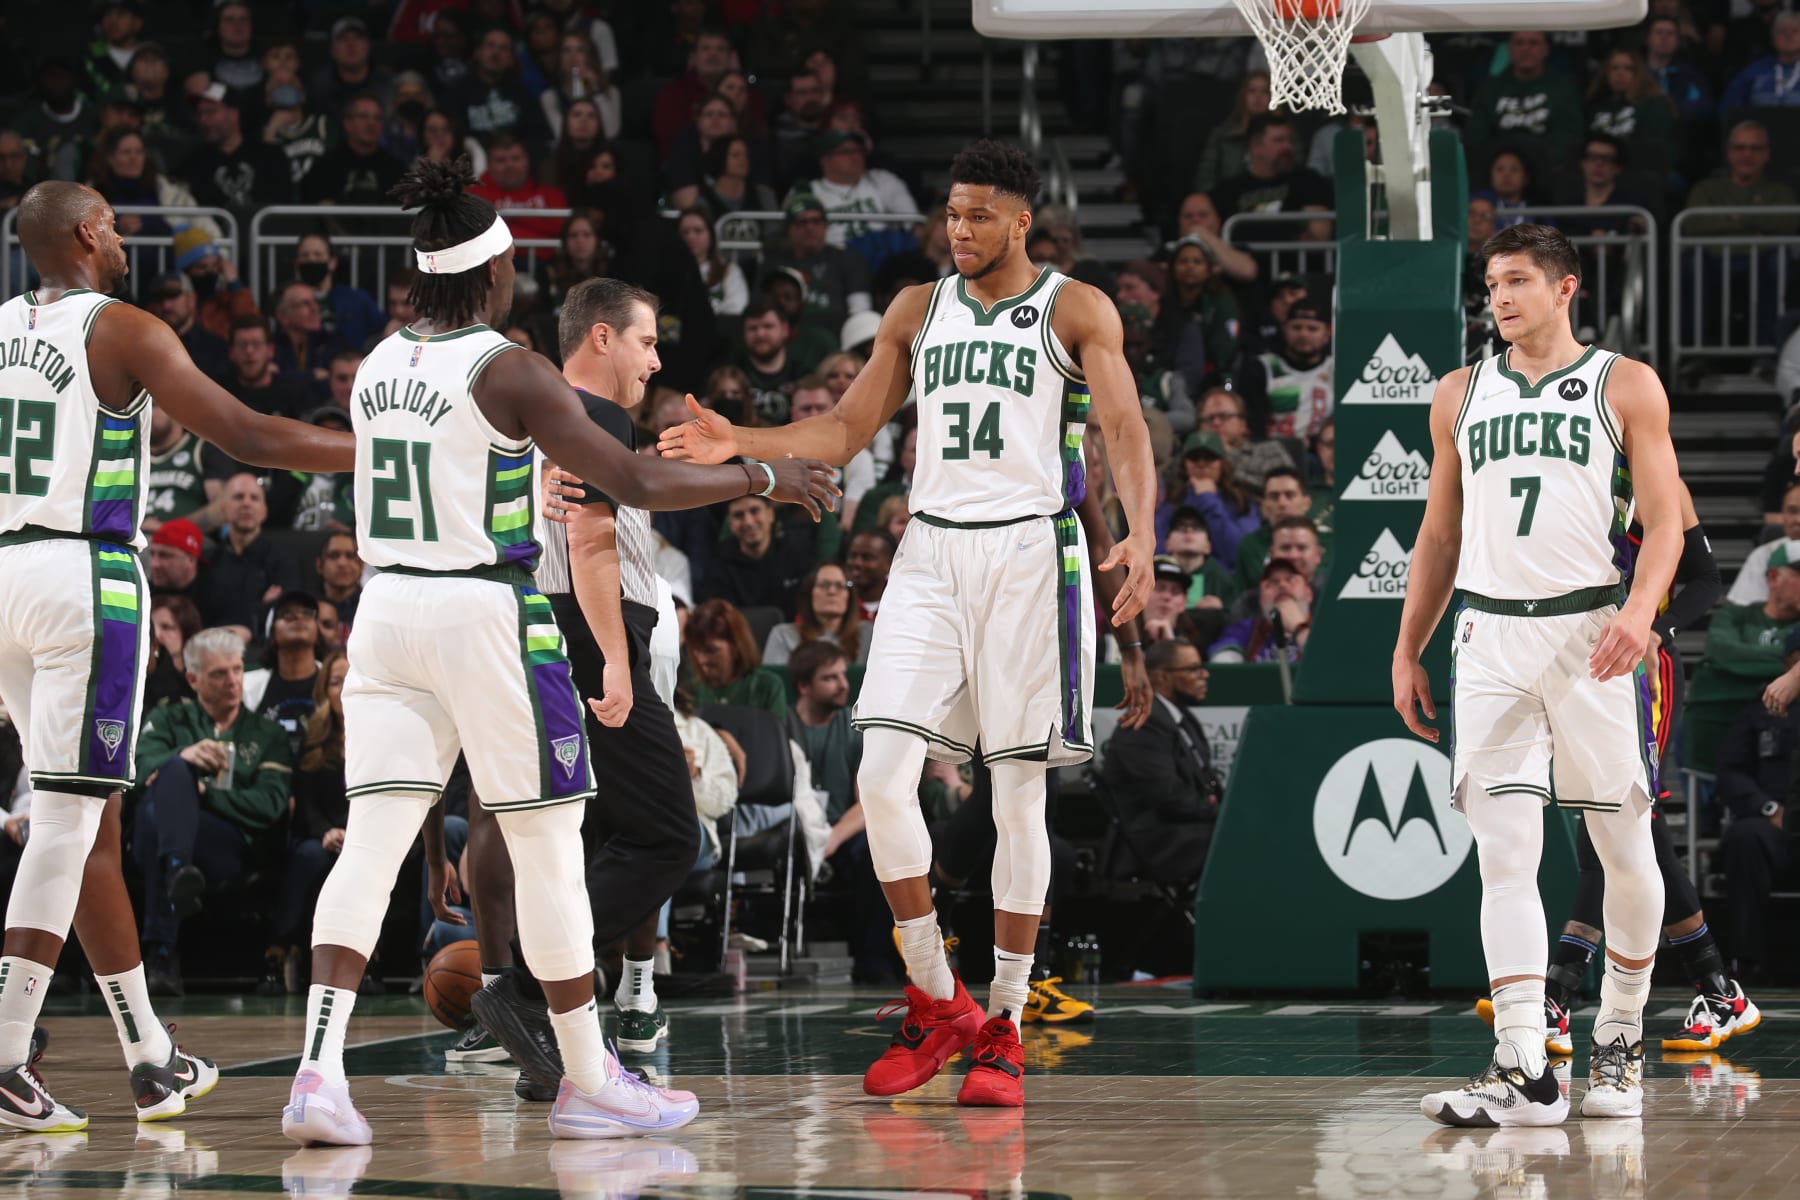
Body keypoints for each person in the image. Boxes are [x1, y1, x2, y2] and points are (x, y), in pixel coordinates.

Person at [275, 155, 835, 1148]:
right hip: (485, 609)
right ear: (495, 277)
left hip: (386, 612)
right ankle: (590, 1078)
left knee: (371, 847)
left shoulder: (377, 367)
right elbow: (632, 481)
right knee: (546, 843)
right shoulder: (511, 367)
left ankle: (318, 1076)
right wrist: (763, 472)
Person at [661, 139, 1156, 1109]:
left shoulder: (1074, 307)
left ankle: (1006, 1022)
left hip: (1028, 553)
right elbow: (845, 430)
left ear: (1020, 221)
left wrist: (1141, 534)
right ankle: (939, 999)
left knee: (1017, 798)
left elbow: (1124, 430)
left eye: (978, 215)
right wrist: (743, 441)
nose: (958, 231)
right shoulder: (916, 308)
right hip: (928, 550)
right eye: (950, 214)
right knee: (882, 775)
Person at [0, 179, 352, 1130]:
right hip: (85, 580)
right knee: (69, 828)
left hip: (5, 577)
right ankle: (3, 1055)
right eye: (111, 223)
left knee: (94, 831)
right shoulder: (123, 328)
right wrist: (379, 447)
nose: (122, 237)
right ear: (84, 233)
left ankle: (151, 1059)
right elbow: (246, 435)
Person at [1395, 224, 1684, 1127]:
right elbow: (1439, 534)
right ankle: (1523, 1064)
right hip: (1486, 634)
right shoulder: (1457, 393)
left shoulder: (1624, 383)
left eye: (1518, 281)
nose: (1501, 298)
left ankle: (1623, 1034)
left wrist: (1639, 615)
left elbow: (1668, 526)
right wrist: (1409, 646)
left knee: (1621, 846)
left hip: (1594, 629)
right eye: (1491, 284)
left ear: (1566, 289)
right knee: (1505, 853)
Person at [455, 277, 723, 1089]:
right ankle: (533, 990)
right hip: (589, 627)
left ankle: (560, 1045)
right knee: (668, 836)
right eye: (646, 341)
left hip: (522, 627)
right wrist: (614, 655)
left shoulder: (520, 421)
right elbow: (595, 533)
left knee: (578, 845)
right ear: (601, 339)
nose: (656, 358)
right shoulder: (591, 414)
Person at [1474, 482, 1759, 1053]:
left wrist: (1658, 630)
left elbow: (1706, 580)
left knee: (1619, 823)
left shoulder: (1658, 477)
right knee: (1621, 834)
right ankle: (1718, 989)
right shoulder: (1566, 463)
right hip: (1570, 654)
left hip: (1638, 664)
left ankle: (1559, 992)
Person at [133, 628, 293, 995]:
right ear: (193, 679)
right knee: (173, 773)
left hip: (228, 845)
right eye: (219, 673)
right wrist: (184, 762)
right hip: (164, 838)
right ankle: (177, 870)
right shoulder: (172, 717)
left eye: (237, 670)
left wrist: (200, 791)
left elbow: (270, 806)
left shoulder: (266, 733)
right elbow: (140, 769)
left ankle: (162, 950)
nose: (232, 681)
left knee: (163, 804)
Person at [1100, 638, 1220, 887]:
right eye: (1193, 669)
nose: (1204, 675)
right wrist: (1221, 814)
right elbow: (1168, 797)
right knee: (1242, 838)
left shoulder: (1183, 718)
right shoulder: (1143, 725)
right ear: (1162, 677)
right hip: (1158, 841)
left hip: (1185, 830)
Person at [764, 561, 867, 666]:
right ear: (809, 594)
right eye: (824, 585)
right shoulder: (783, 635)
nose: (832, 591)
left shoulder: (866, 634)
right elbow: (774, 681)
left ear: (849, 597)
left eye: (840, 586)